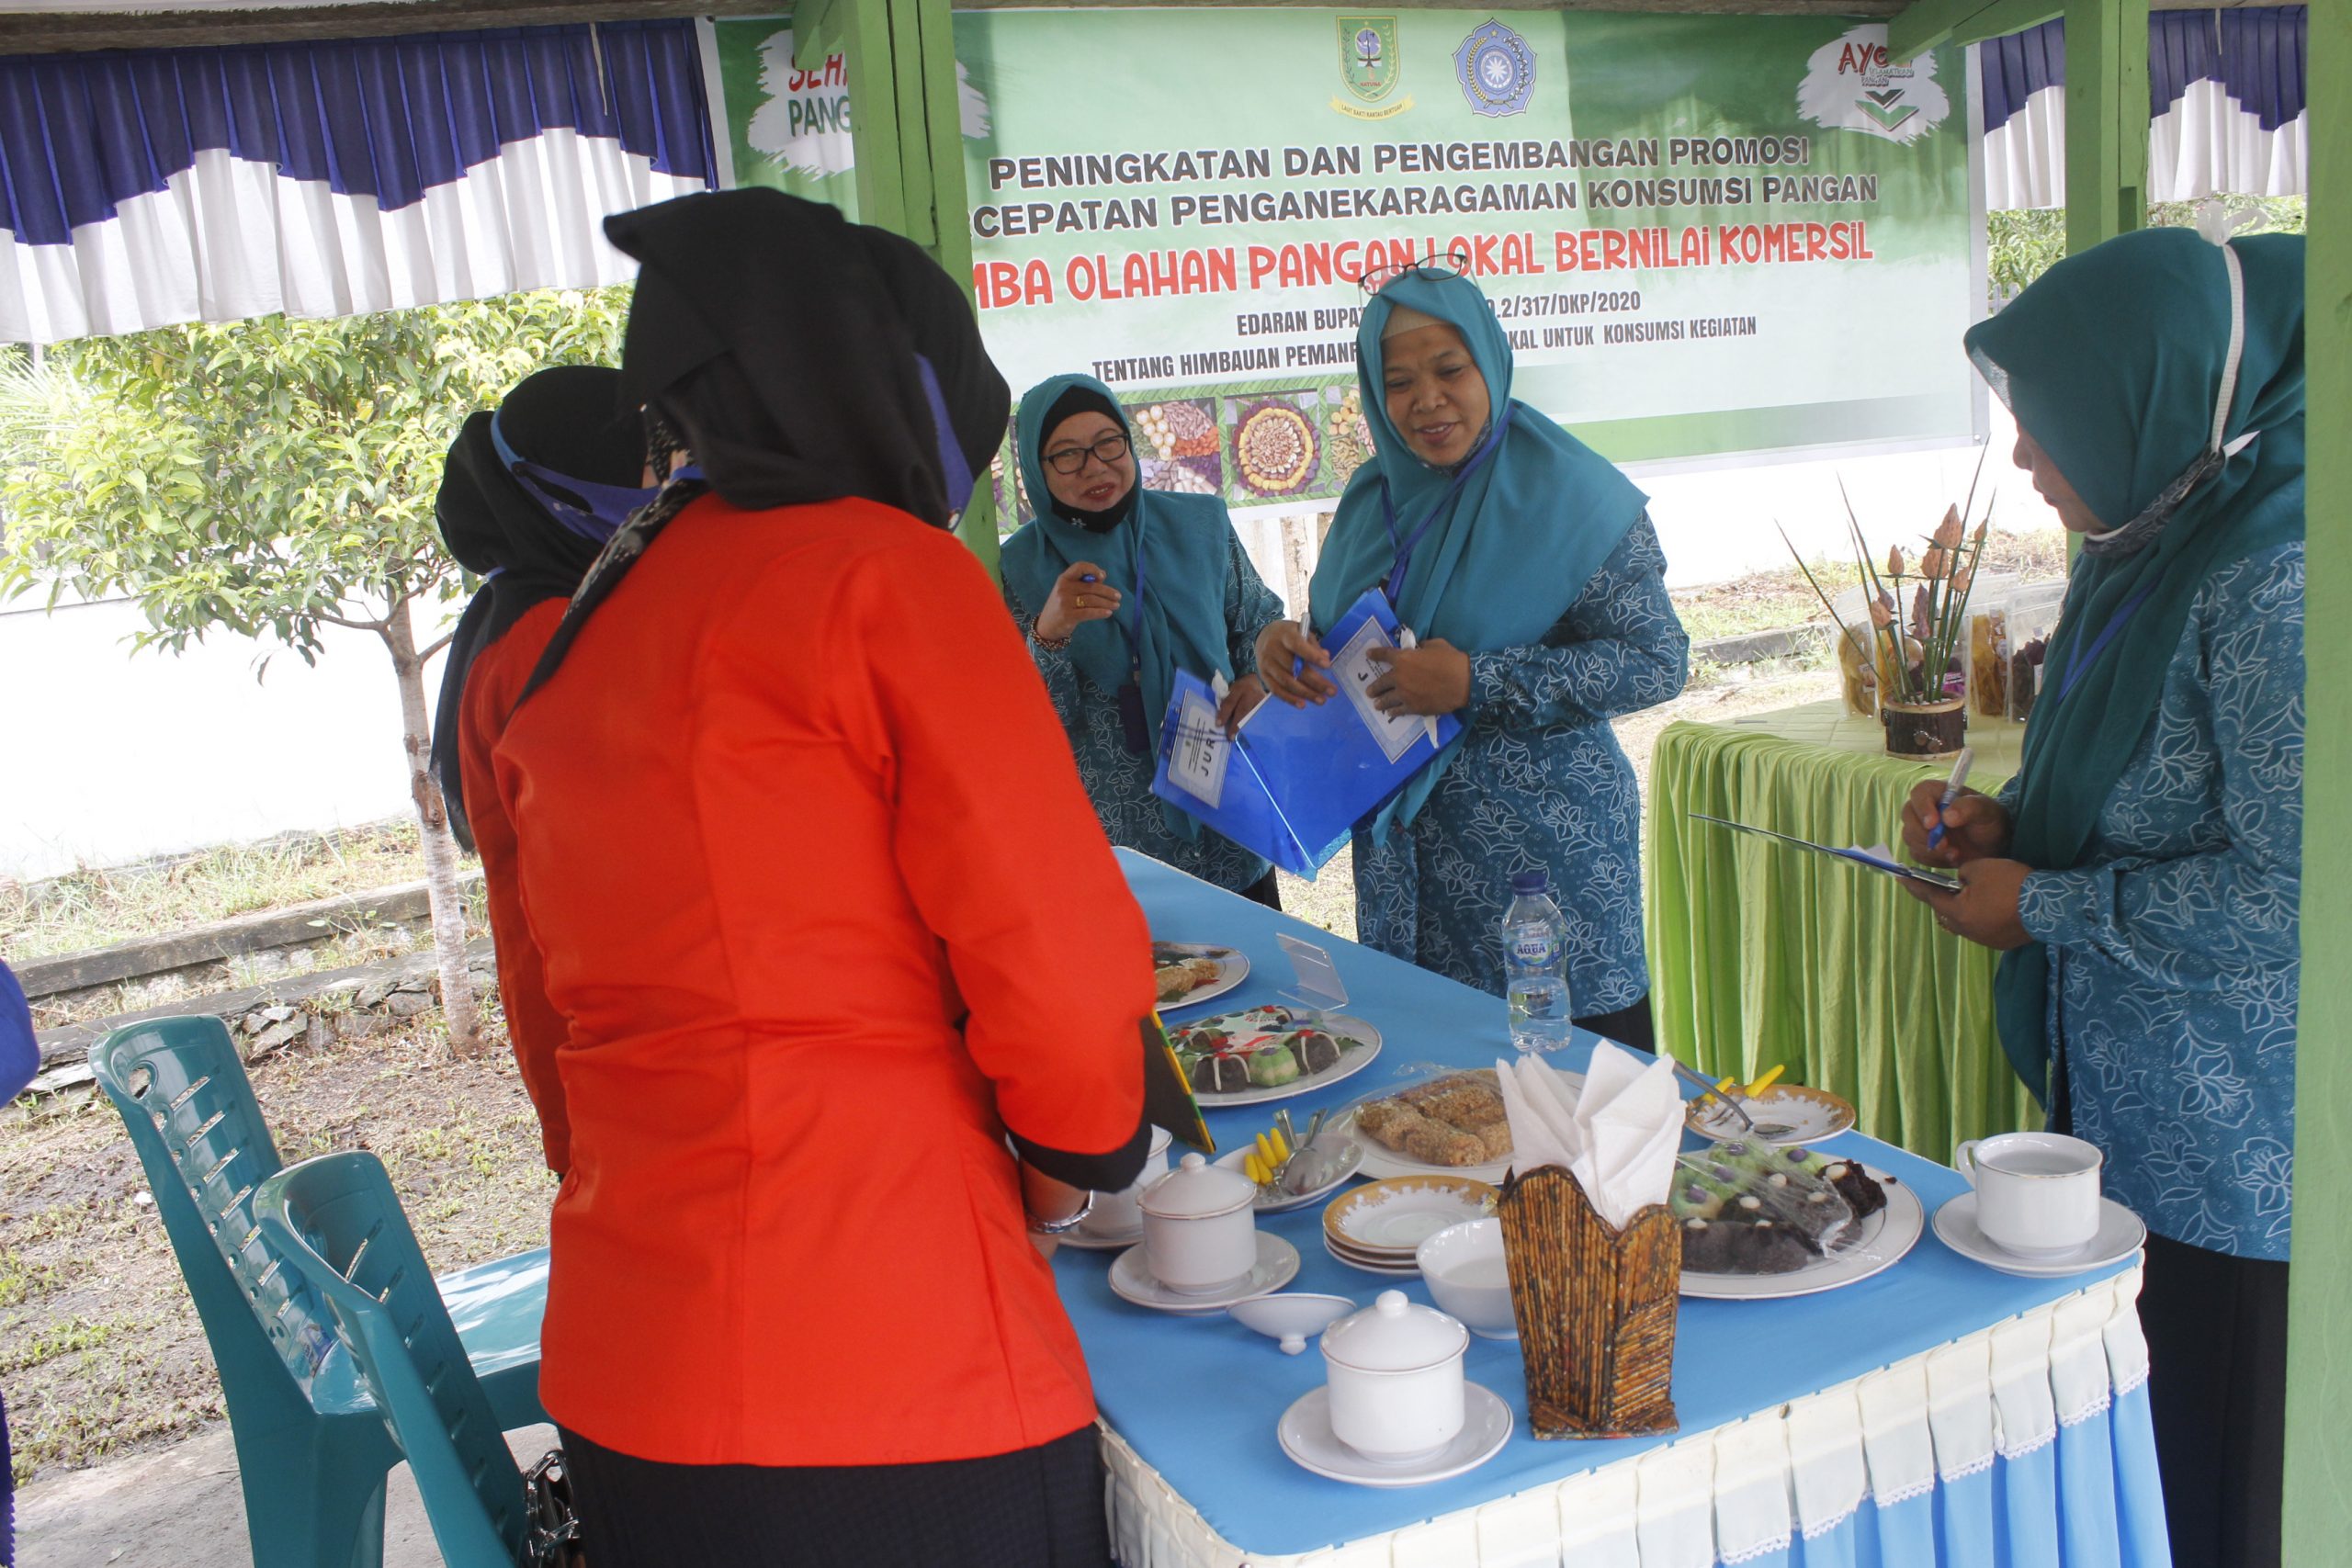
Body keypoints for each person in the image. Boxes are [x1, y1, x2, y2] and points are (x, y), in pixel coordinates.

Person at [489, 189, 1154, 1567]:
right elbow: (1056, 955)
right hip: (887, 1358)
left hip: (632, 1369)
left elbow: (539, 998)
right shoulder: (884, 571)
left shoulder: (591, 618)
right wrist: (1081, 1160)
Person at [1900, 228, 2304, 1568]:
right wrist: (2012, 828)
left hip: (2241, 1155)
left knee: (2224, 1477)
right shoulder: (2154, 531)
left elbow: (2298, 893)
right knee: (2149, 1465)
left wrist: (2049, 908)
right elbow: (2146, 784)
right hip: (2135, 1114)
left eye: (2048, 422)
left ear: (2150, 400)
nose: (2024, 459)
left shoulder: (2277, 573)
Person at [1255, 264, 1688, 1046]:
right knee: (1436, 1111)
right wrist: (1291, 646)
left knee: (1579, 1124)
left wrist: (1473, 682)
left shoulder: (1570, 496)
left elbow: (1656, 657)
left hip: (1546, 878)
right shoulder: (1369, 502)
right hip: (1408, 877)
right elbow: (1358, 641)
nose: (1427, 399)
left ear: (1489, 360)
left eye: (1450, 369)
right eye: (1399, 381)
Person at [429, 364, 662, 1175]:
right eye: (645, 465)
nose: (662, 485)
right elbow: (624, 857)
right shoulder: (545, 633)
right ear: (572, 487)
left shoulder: (530, 605)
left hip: (594, 1021)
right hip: (604, 1036)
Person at [1001, 373, 1286, 904]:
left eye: (1109, 443)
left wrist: (1256, 677)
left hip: (1229, 824)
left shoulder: (1200, 527)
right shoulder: (1021, 571)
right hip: (1116, 853)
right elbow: (1028, 728)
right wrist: (1051, 631)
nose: (1095, 467)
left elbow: (1256, 620)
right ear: (1035, 473)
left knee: (1261, 978)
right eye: (1067, 455)